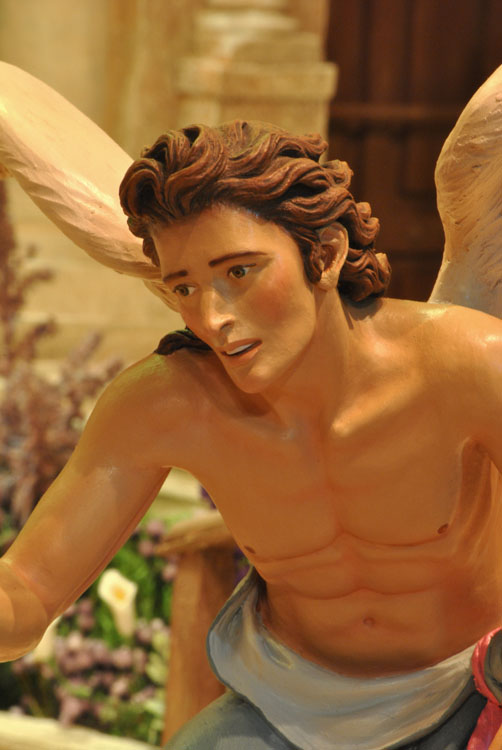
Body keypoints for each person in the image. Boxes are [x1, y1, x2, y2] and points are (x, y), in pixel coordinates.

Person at [1, 74, 502, 749]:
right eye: (184, 287)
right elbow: (29, 592)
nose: (212, 317)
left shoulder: (467, 365)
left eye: (239, 272)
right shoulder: (167, 404)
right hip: (290, 712)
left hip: (477, 693)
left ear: (326, 255)